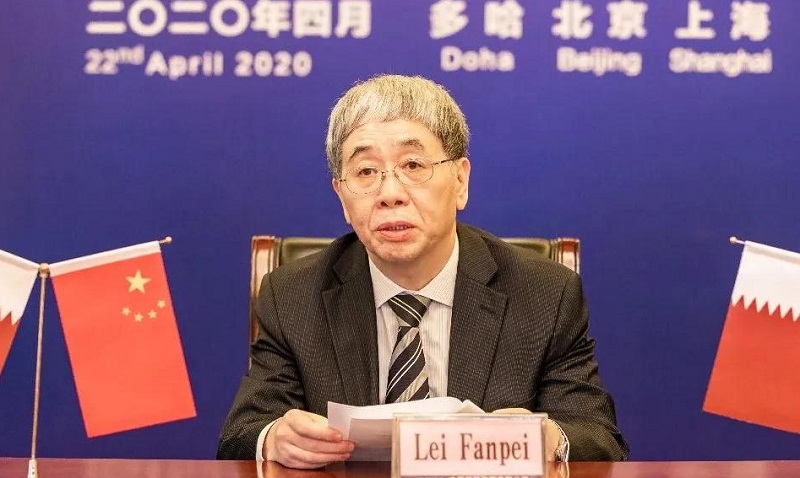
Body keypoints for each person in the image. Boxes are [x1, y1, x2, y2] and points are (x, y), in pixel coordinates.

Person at [217, 74, 628, 468]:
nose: (390, 193)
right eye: (366, 171)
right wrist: (274, 438)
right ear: (341, 196)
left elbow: (598, 439)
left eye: (413, 165)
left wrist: (548, 438)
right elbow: (240, 436)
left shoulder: (544, 294)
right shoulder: (293, 297)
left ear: (460, 181)